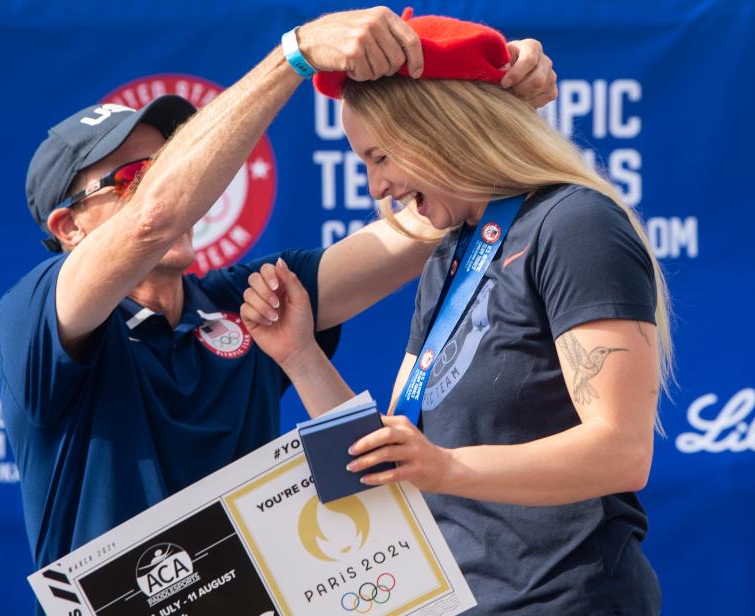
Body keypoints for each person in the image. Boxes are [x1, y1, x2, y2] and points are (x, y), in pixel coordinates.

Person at [0, 5, 557, 593]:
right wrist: (295, 54)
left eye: (172, 166)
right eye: (136, 176)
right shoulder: (35, 315)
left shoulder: (243, 299)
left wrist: (491, 110)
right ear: (69, 228)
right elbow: (153, 220)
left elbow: (422, 225)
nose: (177, 187)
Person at [239, 11, 670, 616]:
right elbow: (393, 460)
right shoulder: (453, 252)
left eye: (382, 156)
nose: (376, 187)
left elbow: (622, 453)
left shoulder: (574, 225)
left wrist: (444, 466)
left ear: (442, 128)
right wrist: (299, 353)